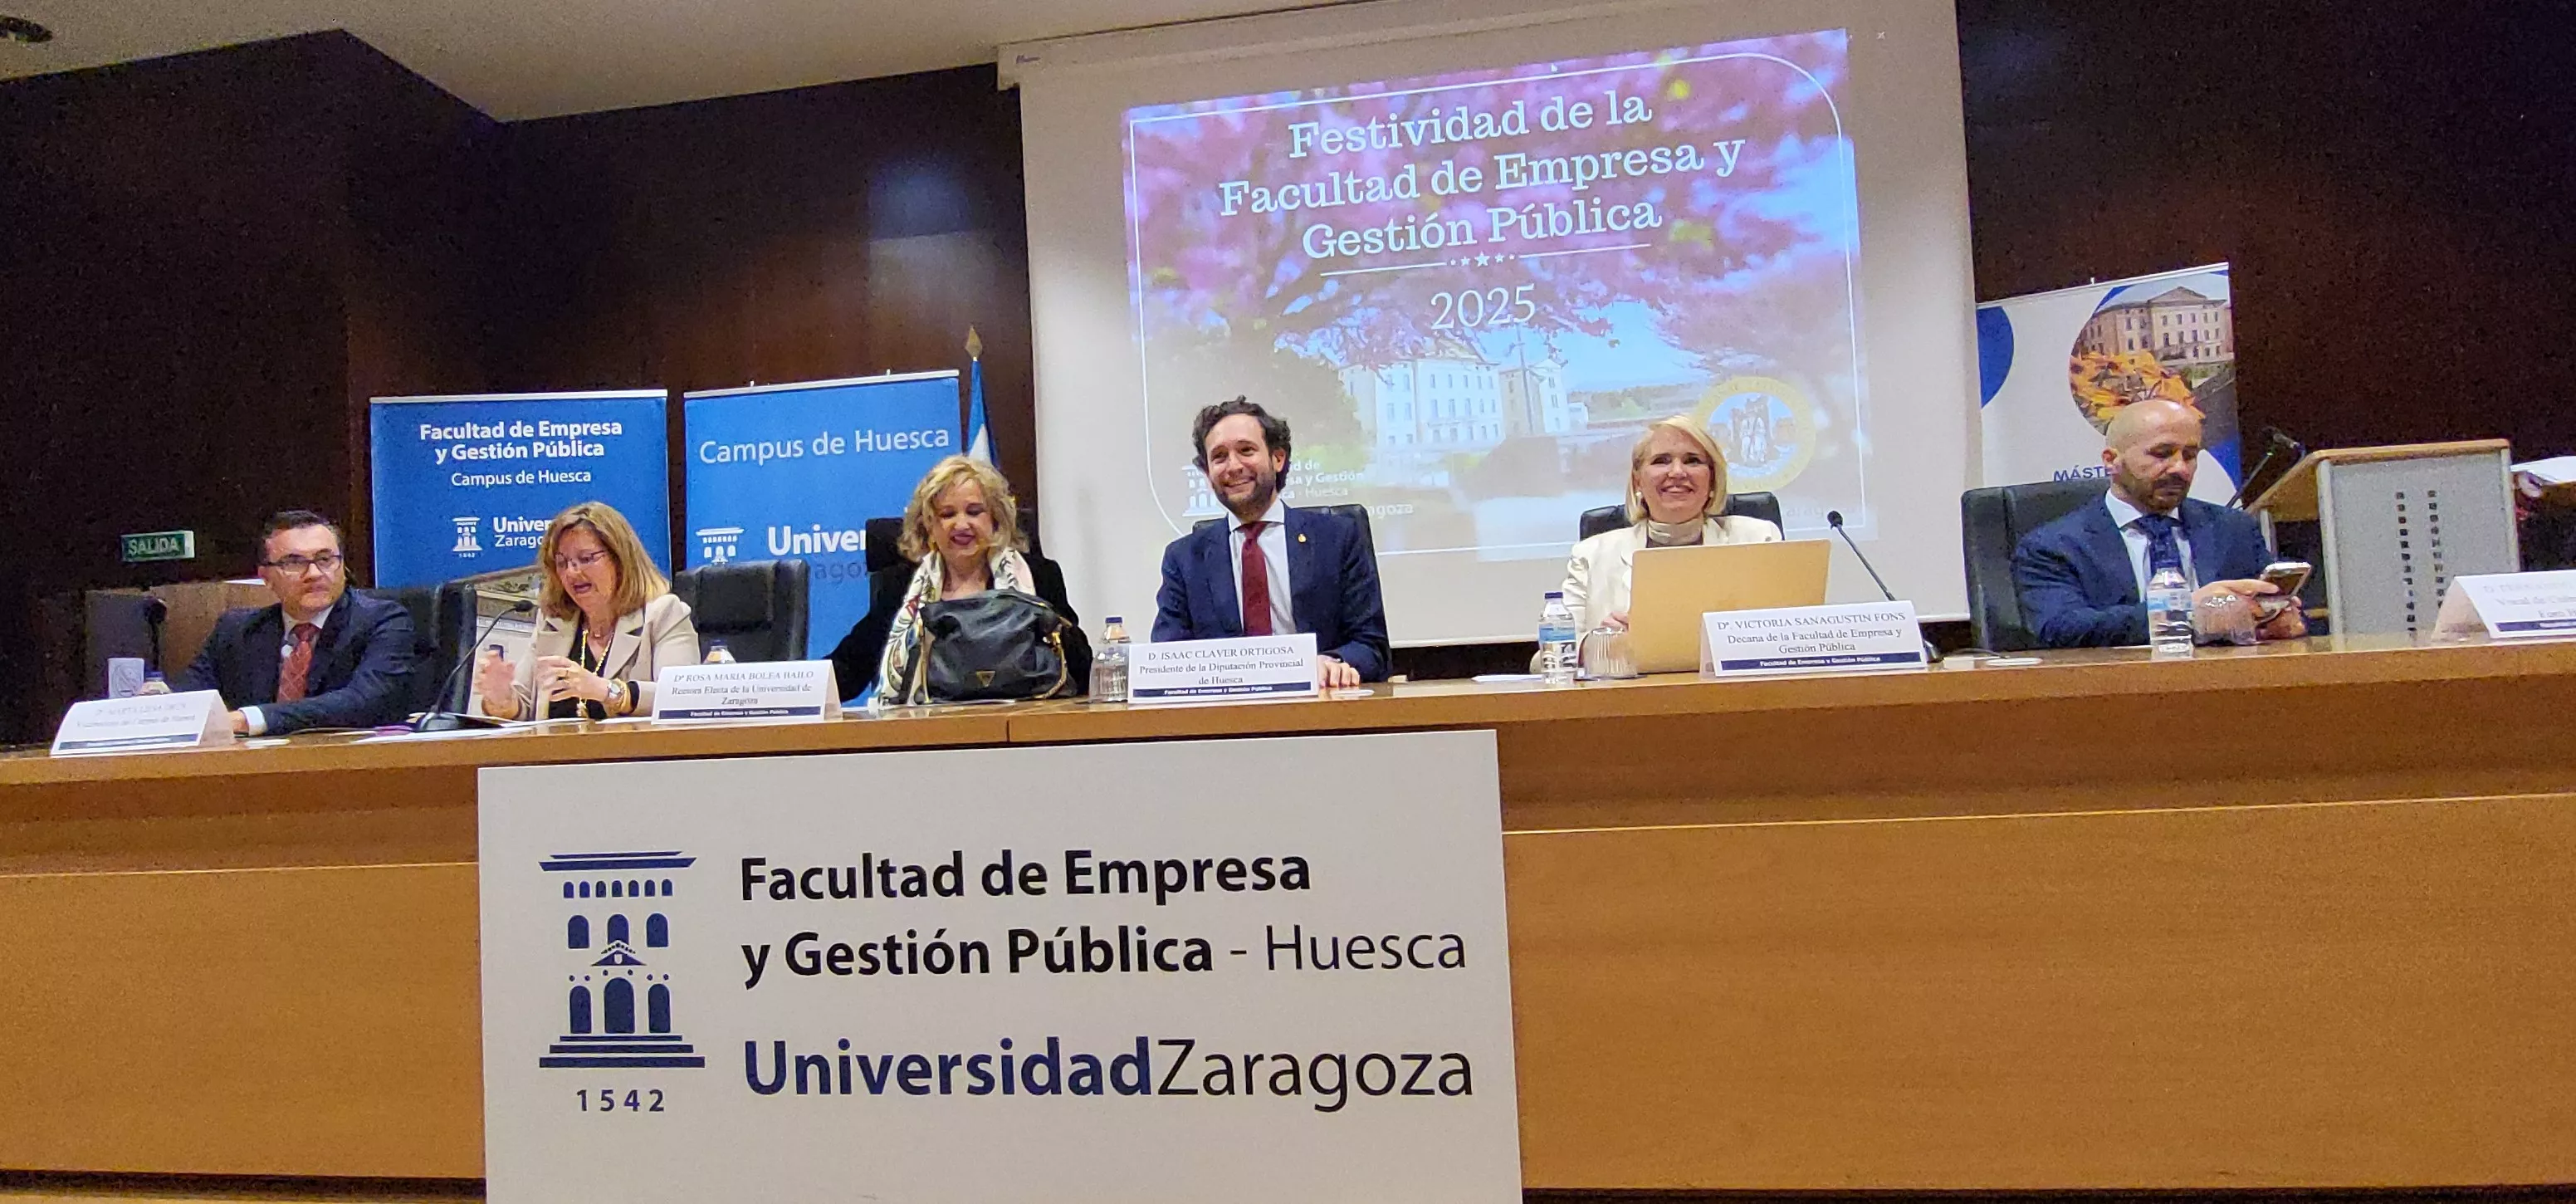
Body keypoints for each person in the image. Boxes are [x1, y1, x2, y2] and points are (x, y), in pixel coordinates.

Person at [2012, 397, 2306, 648]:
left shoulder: (2233, 528)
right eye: (2162, 454)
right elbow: (2060, 630)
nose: (2179, 468)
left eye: (2190, 456)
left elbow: (2273, 607)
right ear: (2111, 460)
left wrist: (2281, 620)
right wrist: (2185, 613)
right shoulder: (2053, 546)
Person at [1153, 397, 1390, 687]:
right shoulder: (1184, 558)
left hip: (1322, 712)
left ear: (1278, 459)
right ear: (1207, 474)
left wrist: (1332, 663)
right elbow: (1168, 657)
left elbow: (1372, 648)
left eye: (1246, 450)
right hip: (1225, 721)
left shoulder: (1338, 538)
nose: (1233, 466)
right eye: (1219, 457)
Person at [825, 455, 1090, 702]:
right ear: (929, 524)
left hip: (1025, 727)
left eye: (974, 512)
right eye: (947, 514)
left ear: (995, 519)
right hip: (929, 735)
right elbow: (851, 667)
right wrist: (795, 688)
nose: (961, 525)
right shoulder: (902, 585)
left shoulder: (1039, 576)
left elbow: (1081, 668)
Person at [164, 510, 420, 735]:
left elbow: (364, 701)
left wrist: (250, 719)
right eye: (294, 563)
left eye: (325, 559)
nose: (315, 574)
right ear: (266, 577)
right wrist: (156, 702)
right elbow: (190, 697)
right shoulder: (237, 631)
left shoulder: (383, 621)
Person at [475, 501, 698, 720]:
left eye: (586, 559)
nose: (572, 572)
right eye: (562, 563)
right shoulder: (554, 622)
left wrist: (606, 691)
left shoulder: (663, 614)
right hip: (555, 755)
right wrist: (502, 701)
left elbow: (682, 699)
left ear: (620, 559)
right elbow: (524, 709)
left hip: (636, 755)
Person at [1562, 415, 1783, 634]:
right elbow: (1545, 657)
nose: (1677, 472)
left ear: (1713, 479)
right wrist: (1600, 645)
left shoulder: (1759, 539)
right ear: (1638, 480)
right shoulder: (1591, 555)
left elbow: (1791, 630)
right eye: (1661, 461)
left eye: (1692, 461)